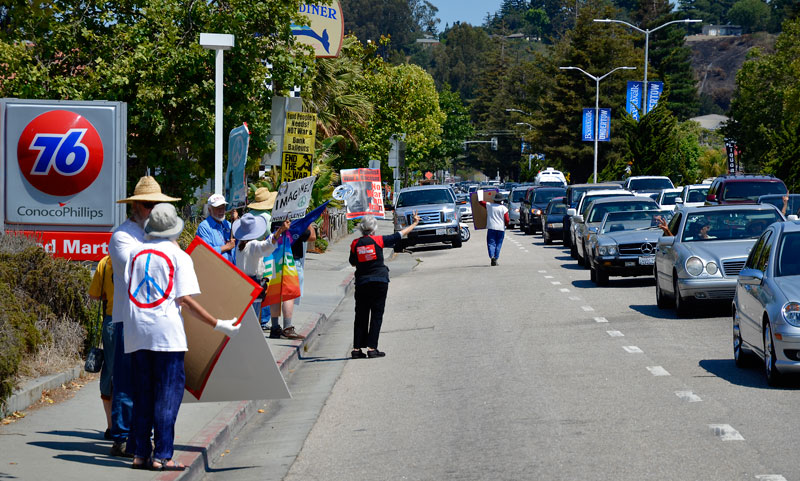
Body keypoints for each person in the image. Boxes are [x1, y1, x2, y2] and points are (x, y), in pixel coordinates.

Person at [125, 203, 240, 471]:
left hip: (136, 331)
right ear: (174, 229)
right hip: (166, 334)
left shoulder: (134, 253)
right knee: (167, 395)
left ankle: (140, 453)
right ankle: (162, 455)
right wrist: (217, 323)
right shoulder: (179, 257)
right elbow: (185, 300)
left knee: (142, 394)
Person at [108, 175, 180, 458]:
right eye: (150, 205)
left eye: (158, 205)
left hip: (156, 321)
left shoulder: (160, 237)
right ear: (136, 206)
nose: (154, 210)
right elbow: (142, 265)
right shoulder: (122, 236)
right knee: (127, 382)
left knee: (151, 383)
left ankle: (143, 437)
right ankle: (123, 437)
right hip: (129, 319)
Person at [349, 213, 420, 359]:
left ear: (362, 228)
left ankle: (356, 349)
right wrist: (414, 224)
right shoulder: (379, 240)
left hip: (362, 282)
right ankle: (371, 348)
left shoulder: (355, 244)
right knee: (376, 314)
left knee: (361, 315)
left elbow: (352, 262)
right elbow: (400, 235)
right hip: (379, 281)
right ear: (374, 228)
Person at [232, 213, 290, 325]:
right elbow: (267, 245)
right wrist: (280, 231)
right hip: (253, 283)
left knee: (245, 318)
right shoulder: (253, 245)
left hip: (242, 283)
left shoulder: (240, 245)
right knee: (253, 319)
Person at [267, 223, 316, 340]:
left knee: (275, 293)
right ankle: (287, 327)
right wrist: (308, 222)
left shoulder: (276, 221)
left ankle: (274, 327)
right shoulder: (296, 223)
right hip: (292, 259)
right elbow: (312, 237)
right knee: (288, 295)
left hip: (275, 257)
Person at [87, 255, 114, 440]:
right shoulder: (143, 257)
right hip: (138, 322)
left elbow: (94, 294)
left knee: (110, 373)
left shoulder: (105, 262)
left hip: (112, 321)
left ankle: (112, 427)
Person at [247, 187, 278, 328]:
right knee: (266, 285)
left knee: (253, 286)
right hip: (265, 251)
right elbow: (270, 235)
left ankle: (254, 318)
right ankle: (263, 319)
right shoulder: (267, 217)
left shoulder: (248, 215)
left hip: (250, 250)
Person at [196, 193, 236, 265]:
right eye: (217, 208)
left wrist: (235, 221)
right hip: (216, 269)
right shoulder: (204, 226)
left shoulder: (228, 224)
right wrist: (226, 247)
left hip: (231, 269)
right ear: (209, 210)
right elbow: (205, 252)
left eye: (223, 207)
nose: (221, 211)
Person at [483, 193, 509, 266]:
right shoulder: (504, 208)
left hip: (491, 227)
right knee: (499, 243)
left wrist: (479, 194)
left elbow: (481, 202)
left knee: (491, 243)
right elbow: (507, 219)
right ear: (501, 201)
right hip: (501, 228)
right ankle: (496, 258)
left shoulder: (489, 206)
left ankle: (492, 257)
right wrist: (506, 225)